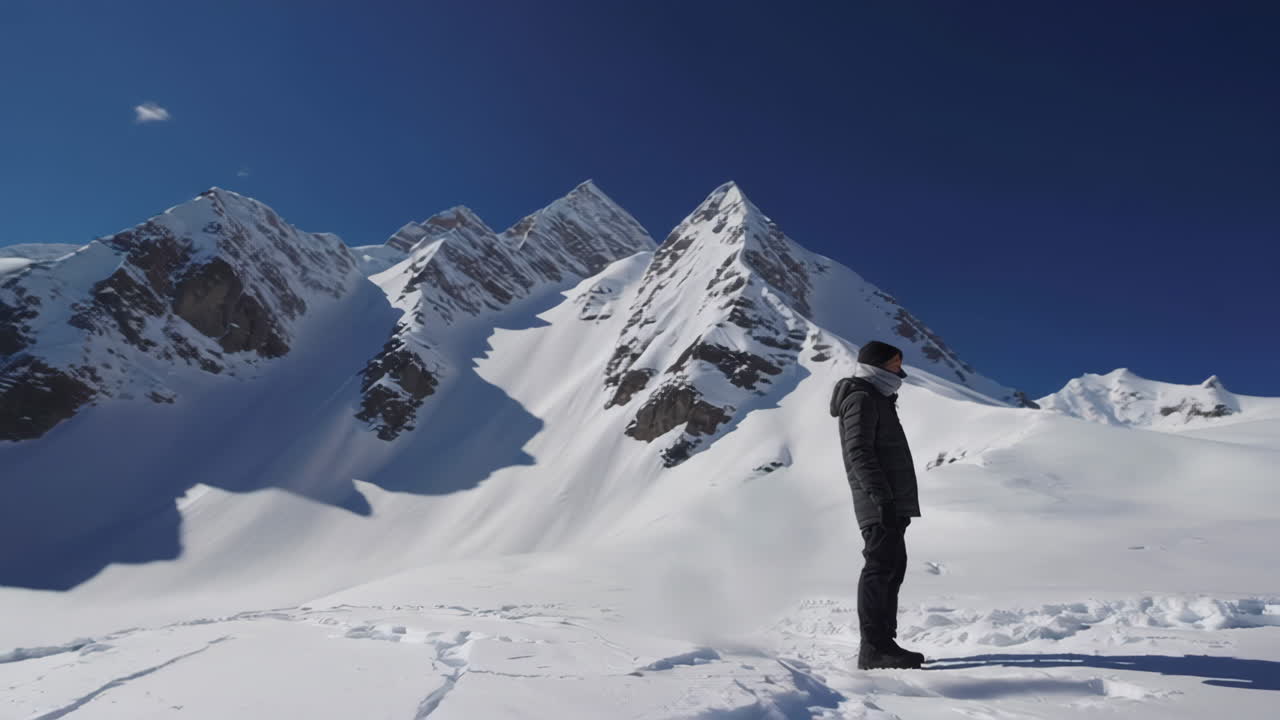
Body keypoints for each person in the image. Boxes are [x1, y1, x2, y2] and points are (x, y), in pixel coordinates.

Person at [829, 340, 925, 670]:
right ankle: (874, 648)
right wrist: (881, 498)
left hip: (890, 500)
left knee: (892, 567)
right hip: (879, 500)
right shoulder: (862, 397)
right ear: (877, 364)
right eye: (895, 362)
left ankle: (884, 643)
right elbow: (859, 451)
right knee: (880, 567)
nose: (900, 368)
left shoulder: (878, 397)